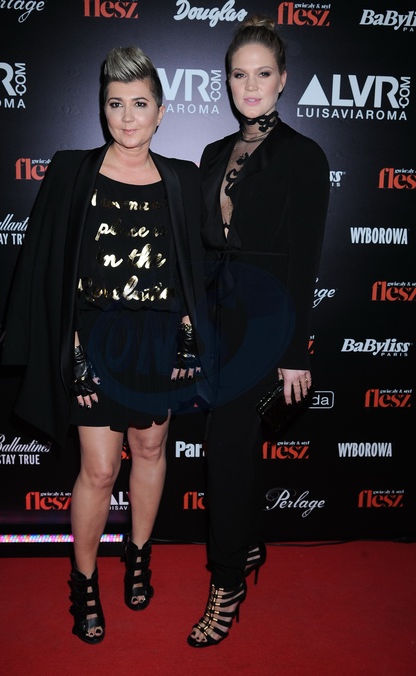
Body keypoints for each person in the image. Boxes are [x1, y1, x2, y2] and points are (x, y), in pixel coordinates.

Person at [2, 46, 206, 645]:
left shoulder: (183, 179)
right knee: (98, 468)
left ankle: (138, 555)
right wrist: (73, 354)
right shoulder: (72, 172)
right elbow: (47, 269)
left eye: (140, 104)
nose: (127, 117)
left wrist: (188, 339)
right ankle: (84, 580)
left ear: (161, 112)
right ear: (102, 109)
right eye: (116, 104)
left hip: (158, 340)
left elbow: (196, 268)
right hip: (92, 338)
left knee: (151, 447)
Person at [187, 16, 330, 647]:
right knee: (235, 449)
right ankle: (246, 544)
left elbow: (304, 262)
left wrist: (294, 352)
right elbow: (203, 248)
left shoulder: (304, 156)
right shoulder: (213, 154)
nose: (250, 86)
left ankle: (226, 585)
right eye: (239, 75)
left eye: (262, 74)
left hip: (265, 328)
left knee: (224, 454)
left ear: (283, 80)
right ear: (226, 81)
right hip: (218, 325)